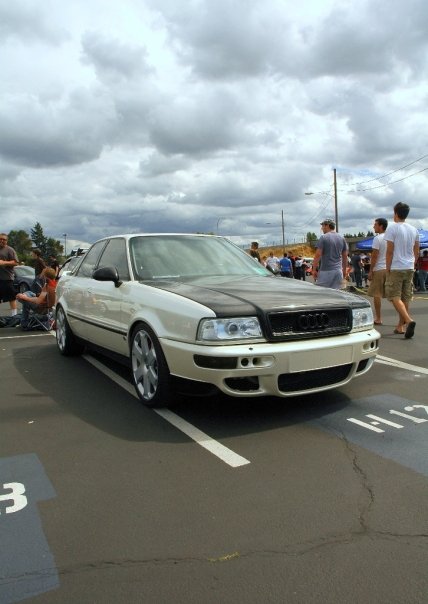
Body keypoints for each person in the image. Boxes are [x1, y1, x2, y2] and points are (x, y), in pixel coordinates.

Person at [384, 201, 419, 338]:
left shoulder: (392, 228)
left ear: (396, 213)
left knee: (394, 296)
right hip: (409, 266)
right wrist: (413, 261)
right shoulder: (413, 229)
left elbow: (390, 251)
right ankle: (401, 326)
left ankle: (408, 320)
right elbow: (416, 249)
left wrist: (388, 268)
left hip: (396, 266)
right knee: (405, 297)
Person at [312, 219, 348, 289]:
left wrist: (314, 269)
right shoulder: (342, 238)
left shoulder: (323, 237)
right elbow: (345, 256)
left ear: (327, 225)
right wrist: (344, 271)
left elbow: (318, 254)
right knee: (336, 294)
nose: (322, 228)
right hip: (338, 271)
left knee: (322, 293)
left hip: (326, 271)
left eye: (322, 226)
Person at [367, 218, 388, 325]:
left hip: (379, 269)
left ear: (381, 226)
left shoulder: (377, 238)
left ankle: (378, 318)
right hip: (390, 268)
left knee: (377, 294)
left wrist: (371, 271)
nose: (373, 226)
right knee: (394, 295)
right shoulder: (391, 238)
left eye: (375, 224)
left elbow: (374, 256)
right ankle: (403, 317)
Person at [0, 233, 19, 316]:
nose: (2, 240)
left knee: (11, 298)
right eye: (0, 239)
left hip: (7, 279)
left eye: (4, 239)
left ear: (6, 241)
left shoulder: (10, 250)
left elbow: (15, 262)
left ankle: (14, 316)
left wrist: (4, 262)